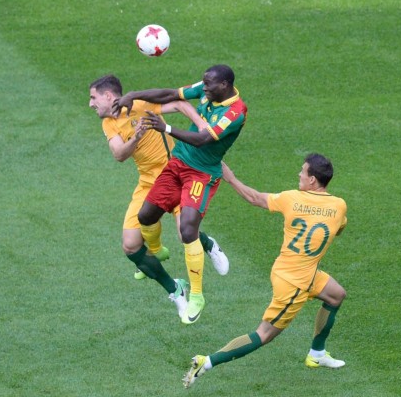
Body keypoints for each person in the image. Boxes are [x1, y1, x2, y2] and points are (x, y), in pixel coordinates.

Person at [183, 154, 348, 388]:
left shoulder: (292, 198)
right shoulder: (339, 205)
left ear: (312, 180)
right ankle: (206, 362)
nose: (299, 174)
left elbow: (255, 198)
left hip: (296, 275)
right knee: (263, 335)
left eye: (302, 171)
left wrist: (230, 178)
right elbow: (338, 229)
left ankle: (317, 354)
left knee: (336, 294)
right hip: (295, 281)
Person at [113, 64, 247, 324]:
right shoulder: (209, 90)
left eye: (208, 85)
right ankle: (206, 244)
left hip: (201, 173)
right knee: (146, 216)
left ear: (225, 85)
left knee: (186, 229)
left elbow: (203, 139)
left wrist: (166, 129)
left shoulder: (235, 112)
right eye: (203, 84)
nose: (203, 88)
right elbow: (169, 94)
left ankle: (196, 295)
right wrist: (134, 95)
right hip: (177, 164)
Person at [88, 75, 229, 319]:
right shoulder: (108, 122)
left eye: (93, 98)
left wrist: (201, 125)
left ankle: (209, 245)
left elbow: (179, 104)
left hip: (176, 173)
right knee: (130, 245)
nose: (91, 104)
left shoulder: (140, 104)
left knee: (185, 232)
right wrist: (138, 136)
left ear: (109, 96)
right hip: (147, 183)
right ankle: (175, 289)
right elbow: (119, 154)